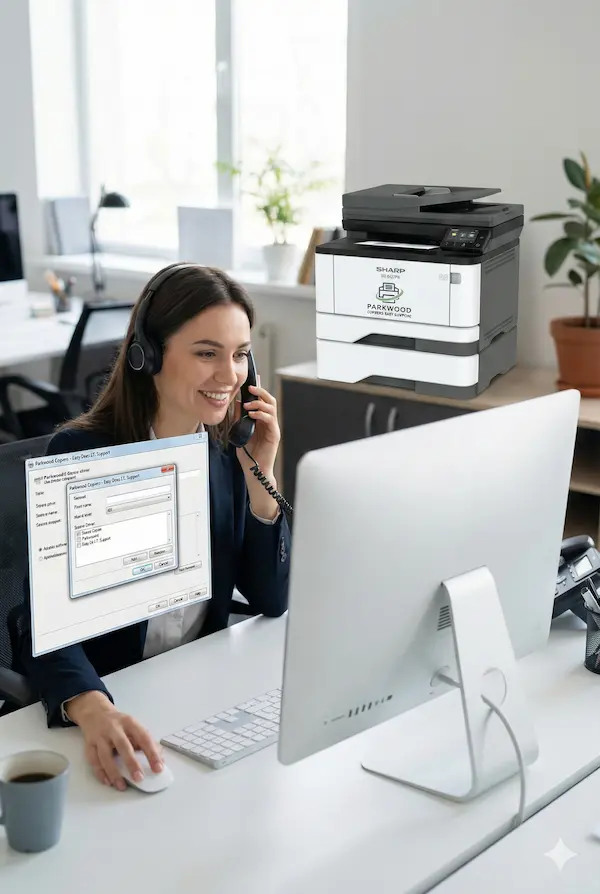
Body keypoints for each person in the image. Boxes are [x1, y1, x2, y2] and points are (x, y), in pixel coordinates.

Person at [18, 263, 290, 791]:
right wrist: (93, 709)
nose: (230, 376)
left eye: (239, 356)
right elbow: (40, 622)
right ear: (149, 354)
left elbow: (271, 599)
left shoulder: (225, 453)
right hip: (113, 700)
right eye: (206, 353)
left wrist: (262, 472)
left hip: (196, 697)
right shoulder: (83, 455)